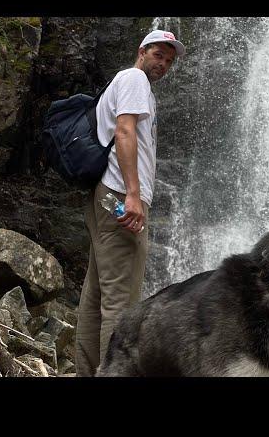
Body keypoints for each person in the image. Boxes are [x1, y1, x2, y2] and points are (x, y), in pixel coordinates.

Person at [75, 29, 186, 376]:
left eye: (168, 61)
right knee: (122, 302)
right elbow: (124, 131)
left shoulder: (127, 82)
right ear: (142, 51)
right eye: (158, 55)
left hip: (106, 195)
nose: (163, 64)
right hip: (122, 197)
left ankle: (88, 371)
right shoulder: (135, 79)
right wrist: (134, 195)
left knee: (96, 295)